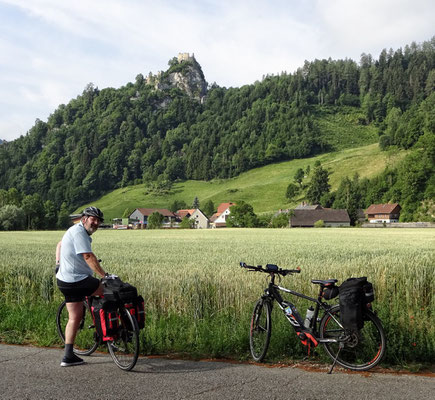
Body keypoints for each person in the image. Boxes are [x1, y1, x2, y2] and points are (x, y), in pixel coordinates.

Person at [56, 206, 106, 367]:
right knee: (109, 291)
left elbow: (59, 244)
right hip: (78, 280)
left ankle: (68, 356)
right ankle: (105, 332)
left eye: (98, 220)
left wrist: (58, 264)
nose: (96, 223)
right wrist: (105, 276)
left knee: (74, 317)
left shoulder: (73, 230)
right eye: (93, 219)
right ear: (84, 219)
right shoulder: (79, 232)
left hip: (64, 282)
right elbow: (88, 256)